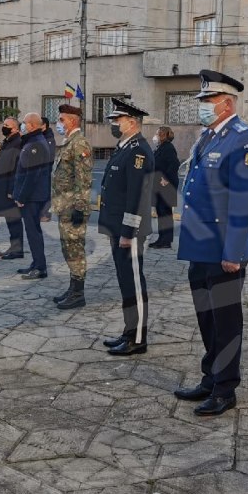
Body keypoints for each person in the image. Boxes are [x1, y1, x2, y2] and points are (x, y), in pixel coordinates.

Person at [173, 71, 248, 416]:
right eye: (202, 102)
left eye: (208, 101)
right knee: (206, 317)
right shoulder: (209, 137)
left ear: (227, 103)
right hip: (200, 246)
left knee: (226, 321)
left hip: (224, 250)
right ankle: (210, 377)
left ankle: (226, 388)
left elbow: (245, 200)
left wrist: (234, 252)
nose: (203, 107)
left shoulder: (243, 140)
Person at [99, 99, 155, 354]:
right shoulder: (124, 147)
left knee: (133, 282)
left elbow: (137, 196)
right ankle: (128, 331)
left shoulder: (139, 151)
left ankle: (138, 338)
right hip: (117, 227)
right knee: (125, 282)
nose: (113, 124)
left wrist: (129, 232)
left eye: (117, 120)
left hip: (128, 231)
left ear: (132, 122)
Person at [51, 104, 94, 310]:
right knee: (68, 248)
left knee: (75, 249)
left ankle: (78, 293)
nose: (58, 123)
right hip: (64, 205)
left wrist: (80, 207)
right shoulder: (68, 142)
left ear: (72, 121)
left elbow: (83, 179)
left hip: (73, 207)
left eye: (61, 120)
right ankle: (72, 288)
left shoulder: (80, 143)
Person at [13, 113, 53, 278]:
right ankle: (36, 263)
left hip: (32, 197)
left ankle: (40, 267)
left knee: (33, 232)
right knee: (32, 231)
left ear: (31, 125)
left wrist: (22, 197)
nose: (22, 125)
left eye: (24, 123)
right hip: (32, 195)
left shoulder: (36, 143)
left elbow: (32, 174)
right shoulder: (32, 141)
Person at [0, 118, 25, 259]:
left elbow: (16, 169)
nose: (4, 127)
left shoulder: (17, 143)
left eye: (7, 125)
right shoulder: (8, 141)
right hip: (2, 185)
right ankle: (14, 247)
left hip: (10, 189)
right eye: (3, 125)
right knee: (10, 219)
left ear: (15, 128)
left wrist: (12, 190)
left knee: (14, 219)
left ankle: (17, 249)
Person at [149, 126, 180, 249]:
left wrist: (165, 179)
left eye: (157, 133)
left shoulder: (168, 148)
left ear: (163, 135)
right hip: (159, 186)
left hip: (166, 187)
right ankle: (162, 239)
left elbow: (174, 165)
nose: (155, 136)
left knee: (165, 213)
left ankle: (165, 241)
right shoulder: (160, 147)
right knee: (161, 213)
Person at [39, 116, 56, 222]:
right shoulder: (41, 136)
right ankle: (40, 213)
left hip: (44, 169)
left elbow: (48, 156)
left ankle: (46, 214)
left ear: (44, 125)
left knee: (45, 192)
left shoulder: (48, 137)